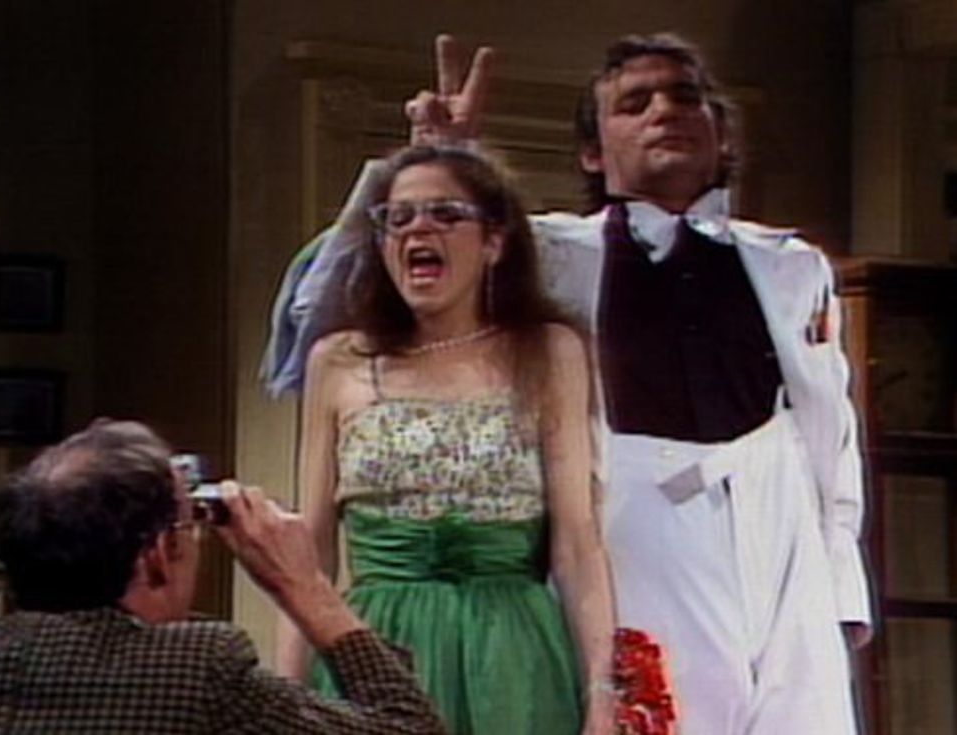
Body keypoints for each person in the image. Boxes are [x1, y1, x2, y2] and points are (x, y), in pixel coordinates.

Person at [263, 32, 873, 735]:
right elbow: (333, 300)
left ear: (723, 133)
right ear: (592, 152)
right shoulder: (552, 250)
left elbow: (832, 433)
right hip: (641, 523)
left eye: (685, 97)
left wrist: (840, 585)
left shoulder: (792, 266)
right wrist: (442, 156)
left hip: (777, 516)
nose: (665, 112)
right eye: (635, 104)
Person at [273, 144, 615, 735]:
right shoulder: (338, 361)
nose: (417, 230)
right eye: (398, 218)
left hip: (513, 657)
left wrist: (603, 695)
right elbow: (313, 552)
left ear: (494, 242)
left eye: (445, 214)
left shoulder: (549, 351)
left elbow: (577, 544)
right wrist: (285, 699)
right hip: (375, 654)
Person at [0, 420, 446, 734]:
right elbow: (408, 729)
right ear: (159, 554)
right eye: (189, 524)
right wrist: (305, 588)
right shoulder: (196, 670)